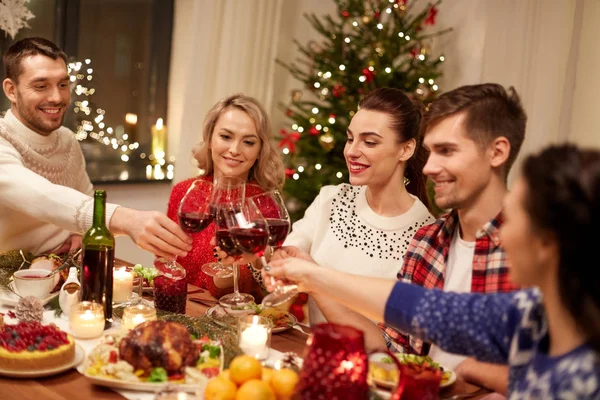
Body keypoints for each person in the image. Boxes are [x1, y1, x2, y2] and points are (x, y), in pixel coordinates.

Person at [265, 144, 600, 398]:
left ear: (547, 244)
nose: (501, 233)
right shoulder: (529, 313)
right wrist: (311, 275)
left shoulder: (580, 381)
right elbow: (426, 309)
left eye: (514, 218)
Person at [269, 87, 434, 350]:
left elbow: (391, 347)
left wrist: (314, 278)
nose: (352, 151)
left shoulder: (426, 237)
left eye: (369, 142)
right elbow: (287, 255)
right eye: (350, 139)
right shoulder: (331, 199)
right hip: (312, 359)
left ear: (406, 149)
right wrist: (277, 260)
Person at [0, 37, 192, 258]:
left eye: (63, 84)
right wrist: (126, 219)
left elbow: (87, 203)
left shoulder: (67, 140)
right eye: (41, 86)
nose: (57, 97)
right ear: (11, 90)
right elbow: (40, 196)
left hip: (64, 274)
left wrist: (80, 232)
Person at [166, 93, 285, 298]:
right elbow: (166, 261)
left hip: (235, 320)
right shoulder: (184, 191)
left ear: (259, 150)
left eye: (248, 142)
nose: (234, 150)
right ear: (210, 139)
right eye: (226, 137)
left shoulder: (263, 205)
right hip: (178, 309)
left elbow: (264, 284)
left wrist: (229, 270)